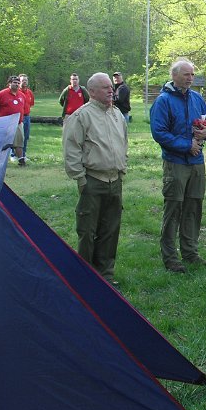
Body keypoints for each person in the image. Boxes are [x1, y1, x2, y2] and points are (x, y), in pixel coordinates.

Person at [150, 58, 206, 273]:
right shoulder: (163, 101)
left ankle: (190, 253)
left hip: (197, 163)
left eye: (192, 74)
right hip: (176, 162)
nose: (190, 78)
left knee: (193, 208)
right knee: (174, 209)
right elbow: (159, 133)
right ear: (174, 75)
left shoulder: (197, 98)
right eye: (186, 74)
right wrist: (187, 145)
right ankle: (170, 258)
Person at [62, 73, 128, 283]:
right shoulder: (81, 116)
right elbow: (71, 149)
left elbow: (123, 143)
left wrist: (121, 170)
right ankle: (85, 278)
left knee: (110, 230)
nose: (111, 90)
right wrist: (81, 179)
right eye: (105, 87)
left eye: (111, 87)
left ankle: (105, 276)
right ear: (91, 91)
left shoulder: (117, 114)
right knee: (87, 231)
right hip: (92, 180)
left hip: (114, 181)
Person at [0, 75, 26, 167]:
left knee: (19, 142)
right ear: (9, 84)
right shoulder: (1, 94)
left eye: (18, 83)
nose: (17, 84)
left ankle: (21, 160)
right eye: (14, 83)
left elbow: (23, 107)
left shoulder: (21, 95)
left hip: (18, 123)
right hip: (5, 123)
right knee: (3, 142)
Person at [18, 74, 35, 160]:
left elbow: (31, 104)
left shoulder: (29, 92)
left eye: (26, 80)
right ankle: (13, 155)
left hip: (27, 116)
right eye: (23, 80)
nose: (24, 82)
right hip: (18, 117)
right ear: (19, 82)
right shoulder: (17, 92)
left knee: (25, 137)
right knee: (17, 137)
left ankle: (23, 155)